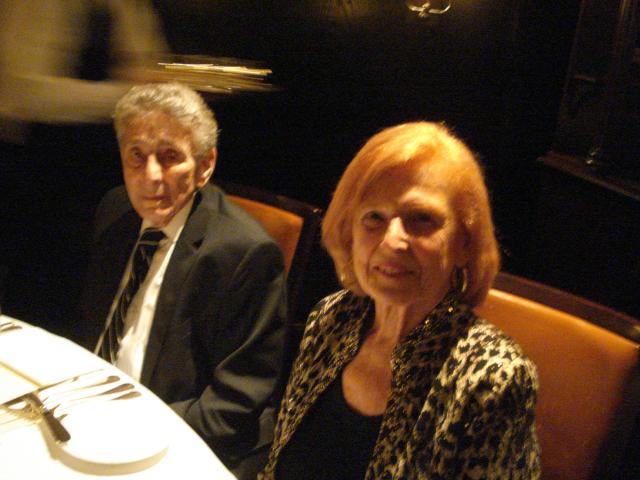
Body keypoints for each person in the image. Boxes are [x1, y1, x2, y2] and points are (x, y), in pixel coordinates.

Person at [259, 122, 540, 479]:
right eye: (374, 217)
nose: (392, 241)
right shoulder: (331, 318)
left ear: (464, 243)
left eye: (422, 219)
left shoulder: (491, 379)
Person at [80, 82, 287, 478]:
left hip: (179, 437)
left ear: (205, 165)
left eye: (170, 156)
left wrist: (129, 426)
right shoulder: (115, 210)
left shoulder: (244, 253)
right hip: (93, 412)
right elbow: (91, 328)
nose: (151, 176)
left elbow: (236, 403)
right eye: (136, 156)